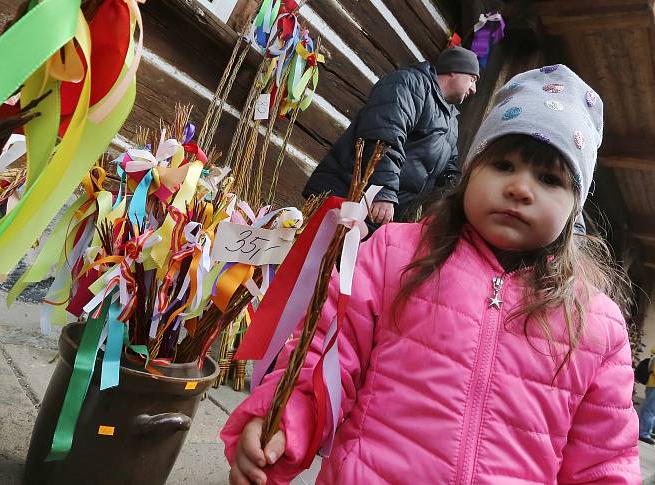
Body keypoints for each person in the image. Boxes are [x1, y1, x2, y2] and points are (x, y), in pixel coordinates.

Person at [223, 65, 639, 484]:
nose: (520, 188)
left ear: (575, 208)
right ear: (470, 172)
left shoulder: (596, 326)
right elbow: (323, 359)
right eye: (503, 165)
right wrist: (282, 423)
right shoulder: (395, 256)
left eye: (550, 178)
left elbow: (604, 463)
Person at [302, 46, 479, 228]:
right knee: (312, 254)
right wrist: (384, 189)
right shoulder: (409, 84)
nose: (473, 89)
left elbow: (447, 168)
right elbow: (385, 133)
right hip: (349, 197)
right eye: (472, 79)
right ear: (454, 70)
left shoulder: (451, 121)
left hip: (383, 215)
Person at [639, 347, 655, 444]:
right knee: (649, 410)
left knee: (651, 410)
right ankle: (643, 433)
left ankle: (648, 431)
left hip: (653, 385)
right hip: (653, 386)